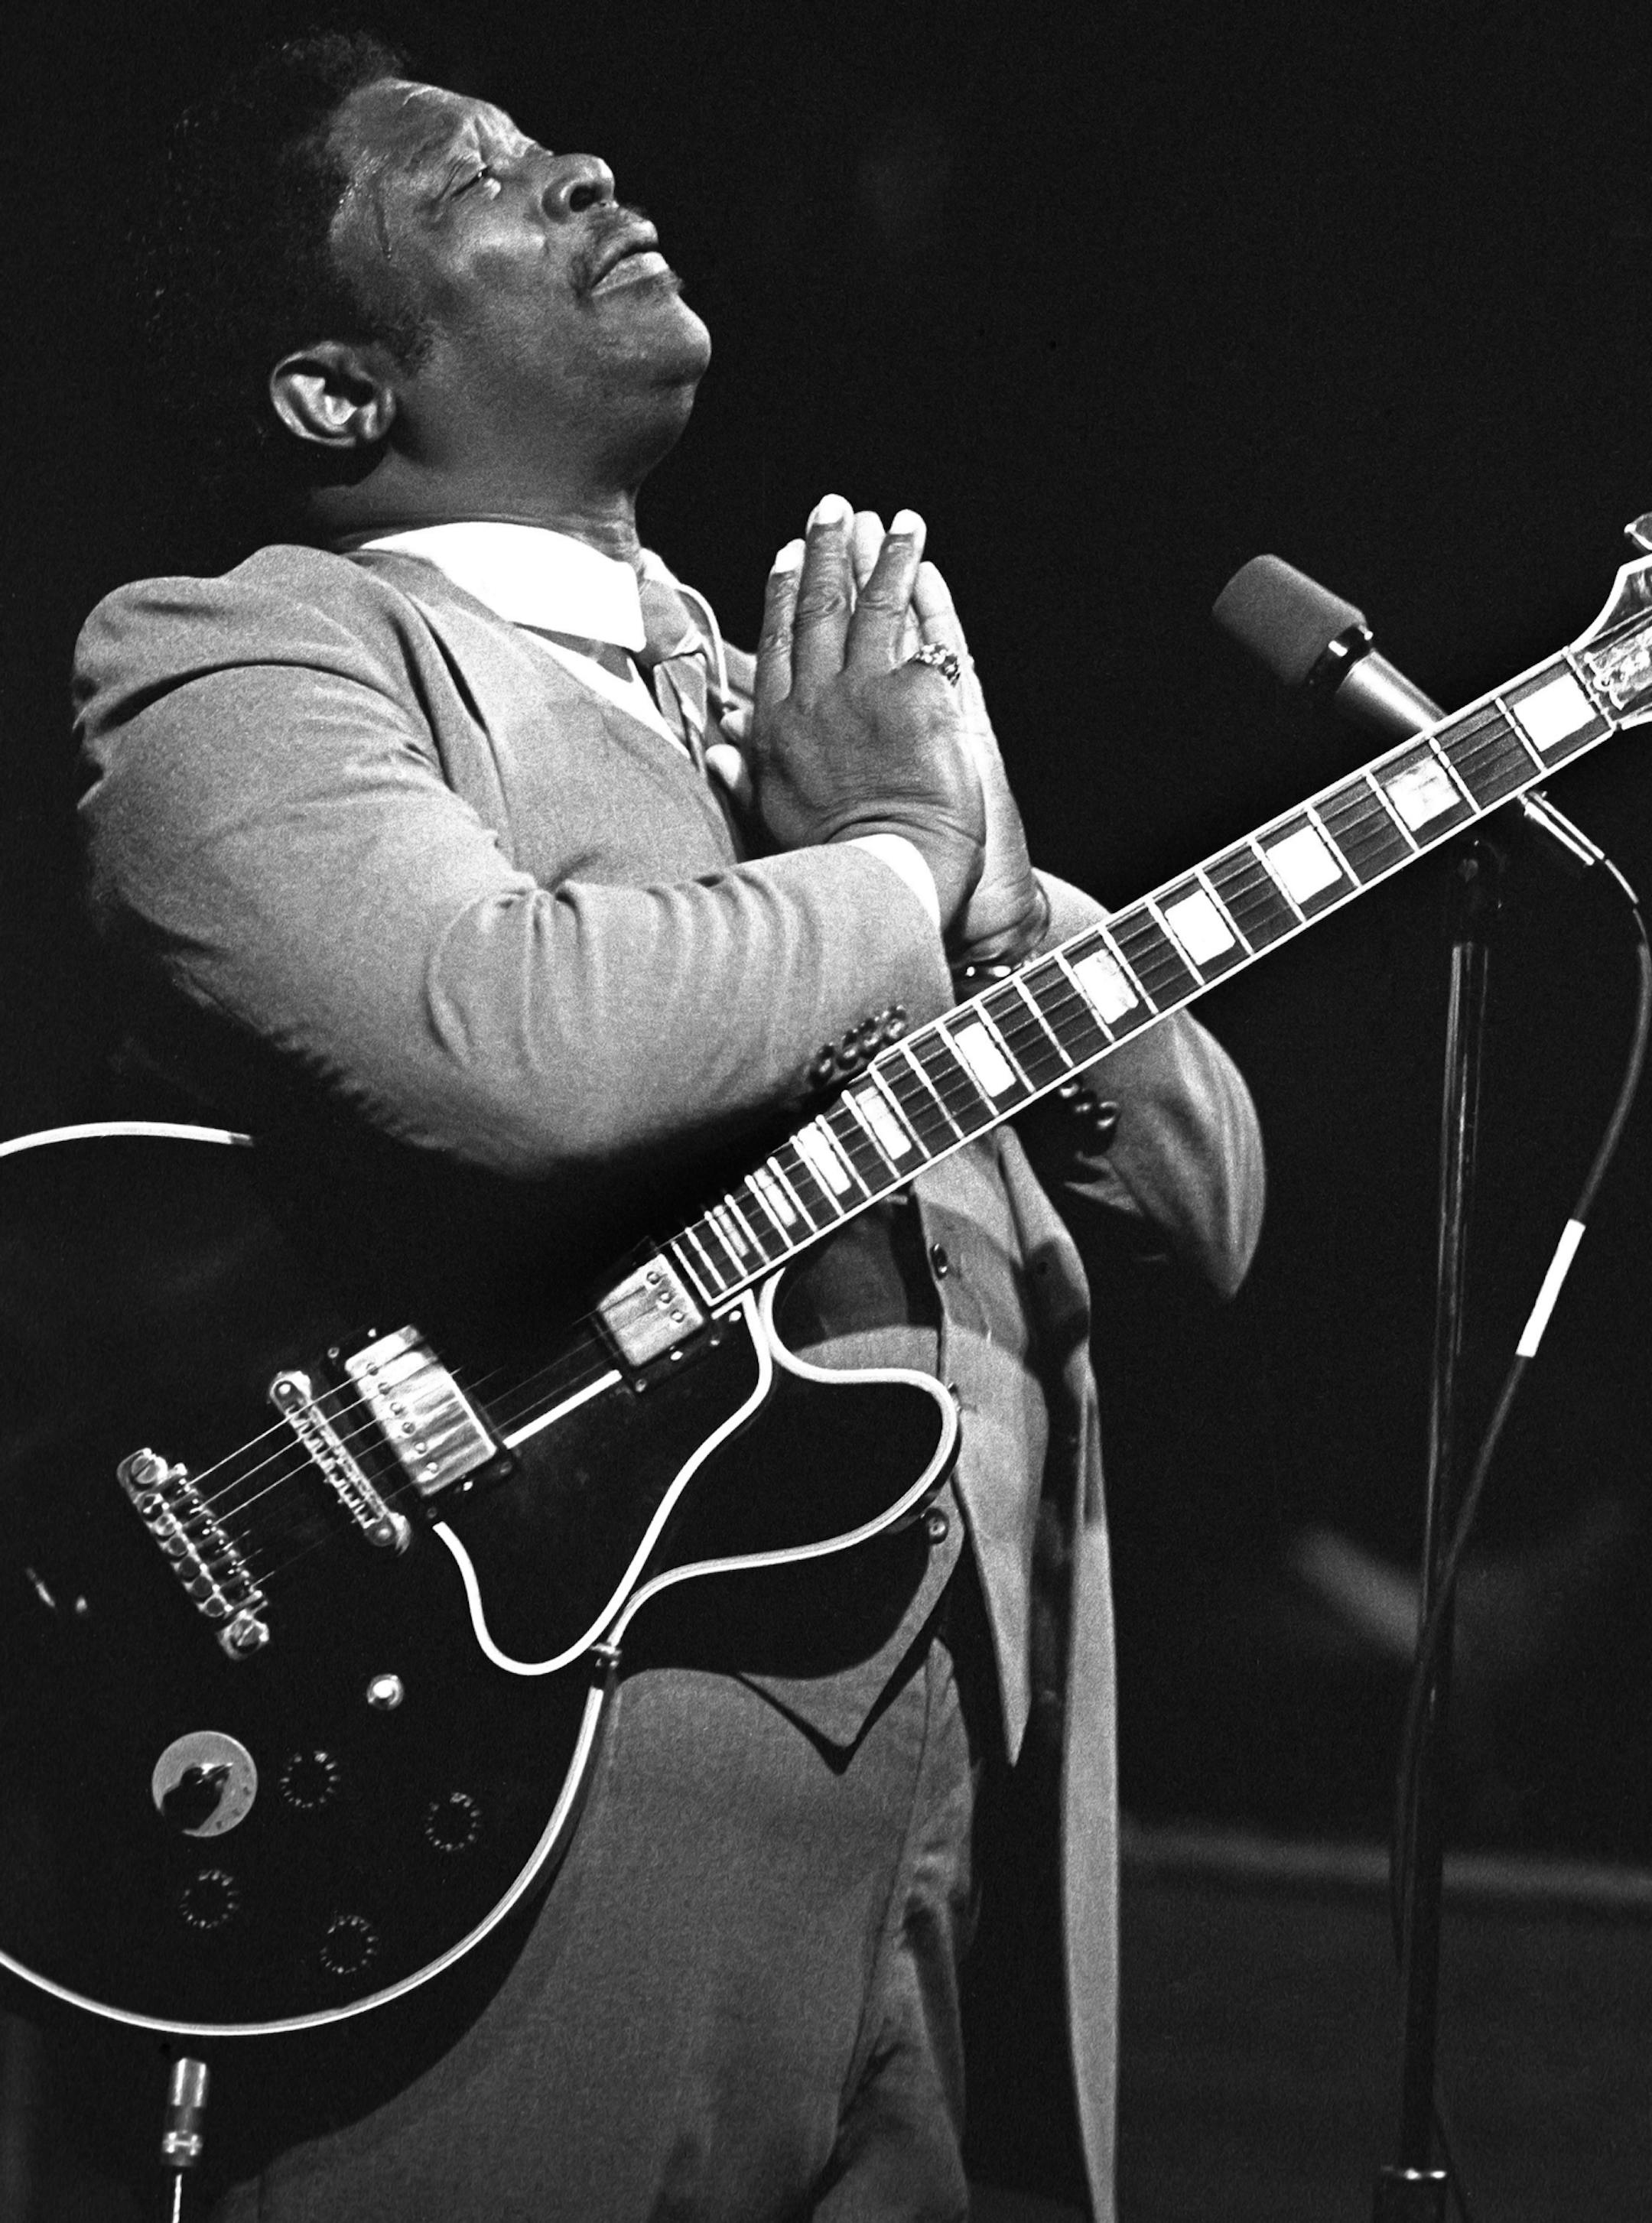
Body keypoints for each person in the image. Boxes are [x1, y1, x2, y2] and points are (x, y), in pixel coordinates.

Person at [72, 32, 1264, 2221]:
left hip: (949, 1821)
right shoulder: (250, 658)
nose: (586, 168)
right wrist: (898, 862)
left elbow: (1207, 1200)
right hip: (551, 1783)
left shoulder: (799, 716)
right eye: (481, 181)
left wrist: (994, 899)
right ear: (336, 390)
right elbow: (498, 1038)